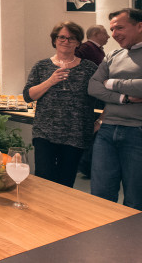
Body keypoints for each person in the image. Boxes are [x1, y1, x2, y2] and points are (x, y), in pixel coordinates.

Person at [88, 8, 142, 213]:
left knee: (137, 201)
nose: (113, 34)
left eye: (119, 28)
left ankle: (132, 245)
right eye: (112, 29)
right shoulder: (113, 55)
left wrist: (112, 83)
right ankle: (99, 243)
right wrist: (124, 98)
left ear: (140, 26)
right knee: (100, 197)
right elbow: (93, 86)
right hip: (107, 131)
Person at [22, 21, 98, 188]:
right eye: (62, 37)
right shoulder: (42, 66)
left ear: (78, 42)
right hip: (45, 133)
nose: (66, 41)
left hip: (75, 135)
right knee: (43, 181)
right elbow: (28, 95)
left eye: (72, 38)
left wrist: (99, 122)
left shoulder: (89, 68)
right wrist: (50, 81)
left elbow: (105, 95)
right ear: (54, 40)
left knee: (65, 184)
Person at [75, 24, 109, 177]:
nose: (109, 36)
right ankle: (85, 164)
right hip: (92, 98)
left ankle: (87, 164)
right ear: (96, 33)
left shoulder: (95, 50)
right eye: (106, 33)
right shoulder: (86, 48)